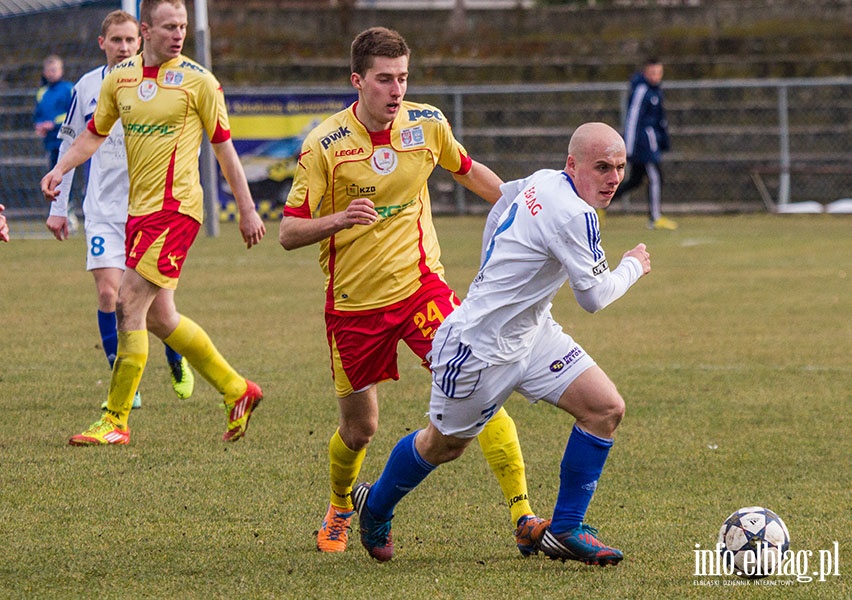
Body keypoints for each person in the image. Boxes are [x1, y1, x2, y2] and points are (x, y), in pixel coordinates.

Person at [279, 26, 547, 556]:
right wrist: (338, 219)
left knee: (482, 389)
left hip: (422, 289)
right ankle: (339, 505)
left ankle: (523, 514)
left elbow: (471, 174)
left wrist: (530, 209)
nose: (396, 89)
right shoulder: (324, 145)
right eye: (384, 79)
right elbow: (288, 232)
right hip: (354, 305)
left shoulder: (427, 125)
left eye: (402, 77)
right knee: (360, 429)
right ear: (358, 81)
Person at [351, 122, 652, 565]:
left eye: (620, 169)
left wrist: (497, 271)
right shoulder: (576, 214)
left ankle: (567, 527)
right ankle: (375, 506)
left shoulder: (543, 180)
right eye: (602, 167)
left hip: (532, 334)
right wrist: (632, 266)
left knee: (605, 409)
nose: (612, 179)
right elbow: (593, 297)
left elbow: (503, 202)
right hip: (479, 348)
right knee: (444, 446)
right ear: (574, 164)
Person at [41, 0, 266, 446]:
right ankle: (238, 390)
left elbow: (224, 150)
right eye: (168, 27)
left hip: (177, 210)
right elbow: (92, 134)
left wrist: (247, 208)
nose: (178, 34)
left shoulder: (200, 82)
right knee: (162, 317)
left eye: (182, 26)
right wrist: (61, 168)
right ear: (146, 29)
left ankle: (115, 420)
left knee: (127, 303)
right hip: (137, 213)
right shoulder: (119, 79)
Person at [47, 10, 194, 410]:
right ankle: (121, 378)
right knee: (110, 293)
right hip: (102, 211)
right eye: (117, 41)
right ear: (103, 44)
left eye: (130, 40)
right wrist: (59, 205)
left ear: (141, 39)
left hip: (151, 210)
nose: (124, 47)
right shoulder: (87, 86)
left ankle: (175, 356)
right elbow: (72, 143)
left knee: (159, 310)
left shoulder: (167, 83)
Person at [613, 57, 677, 230]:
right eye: (653, 72)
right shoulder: (642, 89)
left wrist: (663, 140)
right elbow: (632, 119)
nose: (656, 76)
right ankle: (655, 217)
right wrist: (629, 147)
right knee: (656, 177)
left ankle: (599, 204)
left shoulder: (655, 90)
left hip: (651, 143)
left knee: (634, 181)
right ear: (646, 72)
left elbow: (659, 120)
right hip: (643, 145)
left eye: (659, 72)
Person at [34, 54, 74, 169]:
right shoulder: (42, 92)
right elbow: (38, 114)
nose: (51, 73)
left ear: (61, 71)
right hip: (50, 140)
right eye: (48, 71)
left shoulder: (68, 89)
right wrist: (40, 125)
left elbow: (72, 113)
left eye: (54, 70)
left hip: (66, 139)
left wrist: (53, 124)